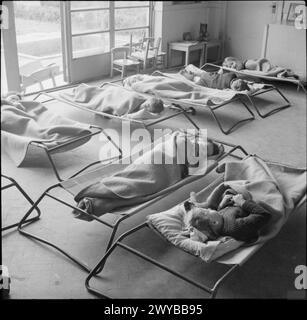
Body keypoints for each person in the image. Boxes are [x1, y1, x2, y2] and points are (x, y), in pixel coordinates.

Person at [184, 185, 271, 243]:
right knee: (241, 188)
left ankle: (226, 181)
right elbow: (264, 215)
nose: (209, 209)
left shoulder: (219, 221)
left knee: (226, 191)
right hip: (250, 205)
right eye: (206, 211)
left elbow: (220, 214)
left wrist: (222, 205)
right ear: (214, 222)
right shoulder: (236, 226)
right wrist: (242, 202)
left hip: (233, 205)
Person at [179, 68, 250, 92]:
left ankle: (187, 73)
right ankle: (185, 74)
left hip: (210, 76)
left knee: (201, 74)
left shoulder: (232, 75)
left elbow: (222, 73)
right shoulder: (227, 88)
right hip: (207, 83)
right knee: (194, 79)